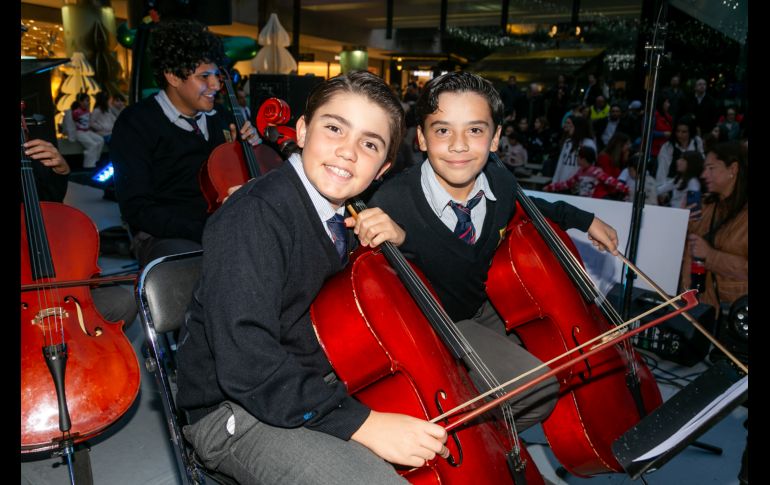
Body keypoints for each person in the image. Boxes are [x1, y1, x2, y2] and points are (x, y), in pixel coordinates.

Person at [175, 71, 449, 485]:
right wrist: (365, 424)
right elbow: (245, 360)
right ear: (303, 131)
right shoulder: (255, 215)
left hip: (316, 380)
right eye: (335, 127)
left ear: (383, 169)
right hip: (237, 408)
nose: (347, 152)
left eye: (369, 143)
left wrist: (401, 245)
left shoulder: (349, 219)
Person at [367, 72, 621, 434]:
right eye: (442, 131)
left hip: (479, 303)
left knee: (562, 358)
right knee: (539, 390)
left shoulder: (499, 181)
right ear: (421, 138)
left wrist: (585, 219)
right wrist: (403, 238)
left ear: (496, 138)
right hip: (436, 321)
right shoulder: (390, 202)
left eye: (475, 130)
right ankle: (478, 442)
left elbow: (529, 205)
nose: (459, 145)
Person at [111, 19, 261, 267]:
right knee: (195, 268)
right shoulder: (136, 123)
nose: (215, 85)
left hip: (219, 225)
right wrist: (204, 230)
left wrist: (247, 151)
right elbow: (136, 208)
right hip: (162, 233)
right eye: (204, 76)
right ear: (172, 76)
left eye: (216, 75)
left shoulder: (222, 118)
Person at [22, 138, 137, 326]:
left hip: (44, 279)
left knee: (121, 302)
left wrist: (60, 172)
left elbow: (50, 210)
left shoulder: (27, 157)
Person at [679, 141, 747, 313]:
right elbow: (687, 254)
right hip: (702, 309)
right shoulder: (706, 206)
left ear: (733, 169)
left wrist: (710, 255)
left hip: (736, 316)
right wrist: (682, 223)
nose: (704, 174)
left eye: (711, 168)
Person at [543, 146, 628, 200]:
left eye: (578, 157)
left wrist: (625, 189)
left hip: (597, 201)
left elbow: (610, 180)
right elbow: (568, 184)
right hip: (586, 200)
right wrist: (551, 187)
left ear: (583, 159)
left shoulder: (595, 171)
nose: (577, 159)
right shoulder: (580, 172)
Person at [549, 114, 596, 182]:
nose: (569, 128)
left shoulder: (589, 144)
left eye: (572, 126)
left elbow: (590, 168)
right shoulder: (568, 142)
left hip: (578, 185)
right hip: (563, 182)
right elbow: (560, 163)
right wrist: (555, 181)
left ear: (579, 128)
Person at [70, 92, 106, 169]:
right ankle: (88, 166)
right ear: (81, 102)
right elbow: (72, 123)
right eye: (87, 100)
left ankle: (96, 161)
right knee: (92, 145)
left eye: (89, 100)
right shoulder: (75, 112)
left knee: (100, 140)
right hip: (79, 132)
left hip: (87, 131)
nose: (88, 102)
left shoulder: (87, 111)